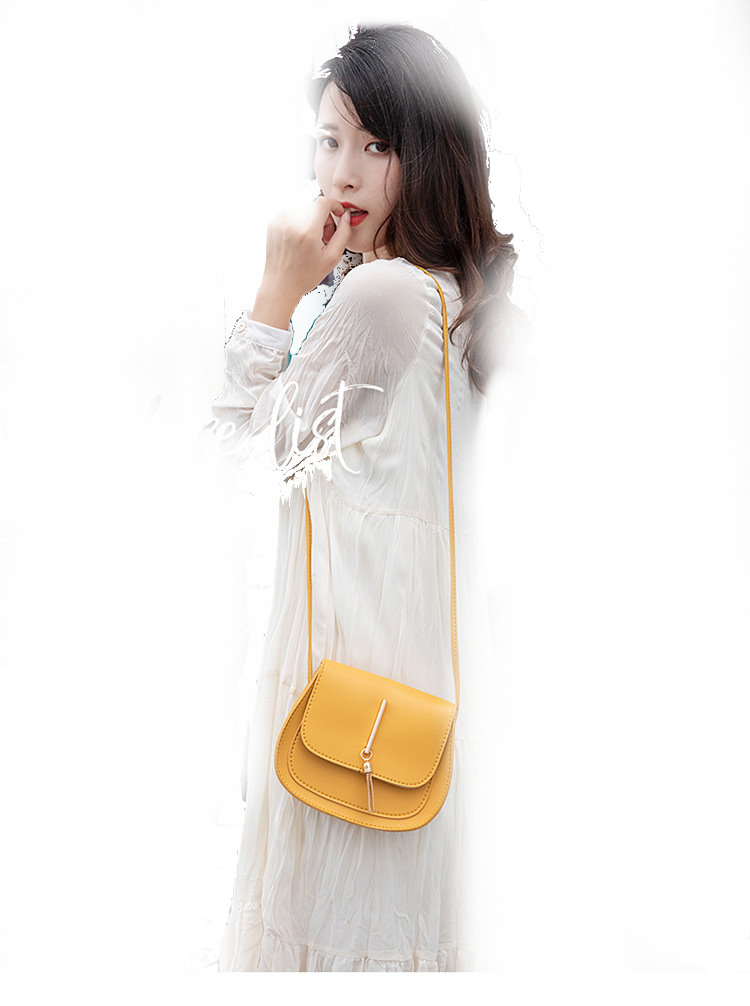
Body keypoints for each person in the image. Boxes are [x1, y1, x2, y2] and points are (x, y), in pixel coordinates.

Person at [206, 22, 520, 972]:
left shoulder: (384, 298)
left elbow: (243, 453)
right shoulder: (449, 298)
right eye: (330, 139)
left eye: (377, 144)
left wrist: (275, 291)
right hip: (411, 717)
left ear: (429, 156)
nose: (342, 172)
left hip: (344, 719)